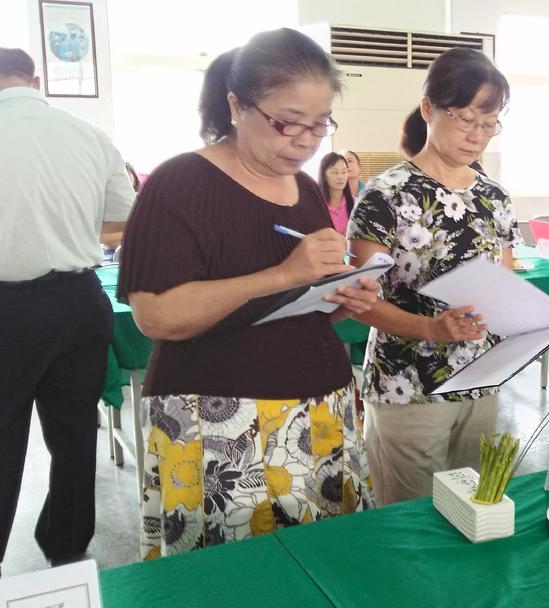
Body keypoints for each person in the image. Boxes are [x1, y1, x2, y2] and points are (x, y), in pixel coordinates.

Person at [117, 28, 381, 559]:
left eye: (320, 124)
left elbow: (293, 306)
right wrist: (281, 275)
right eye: (288, 122)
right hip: (221, 420)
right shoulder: (180, 183)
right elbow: (157, 315)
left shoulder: (304, 188)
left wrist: (339, 295)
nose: (306, 141)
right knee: (237, 571)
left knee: (327, 564)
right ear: (237, 106)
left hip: (319, 410)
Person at [349, 47, 520, 506]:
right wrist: (430, 328)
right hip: (408, 384)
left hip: (480, 380)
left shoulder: (495, 198)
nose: (477, 136)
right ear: (428, 109)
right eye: (465, 119)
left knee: (473, 507)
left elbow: (504, 284)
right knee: (412, 517)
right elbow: (362, 301)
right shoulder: (385, 195)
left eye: (489, 124)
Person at [0, 47, 135, 571]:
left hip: (6, 309)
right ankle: (67, 546)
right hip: (78, 301)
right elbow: (123, 217)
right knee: (75, 432)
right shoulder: (90, 135)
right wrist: (67, 223)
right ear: (36, 80)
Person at [318, 151, 354, 234]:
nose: (341, 177)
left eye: (344, 172)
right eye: (335, 172)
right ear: (324, 175)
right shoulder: (316, 205)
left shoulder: (355, 203)